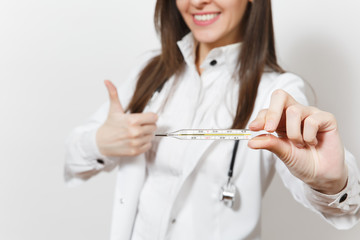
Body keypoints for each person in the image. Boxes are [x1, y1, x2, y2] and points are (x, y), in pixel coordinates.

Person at [65, 0, 360, 239]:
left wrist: (332, 182)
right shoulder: (150, 71)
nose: (197, 2)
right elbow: (71, 164)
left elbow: (345, 211)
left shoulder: (278, 92)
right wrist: (99, 142)